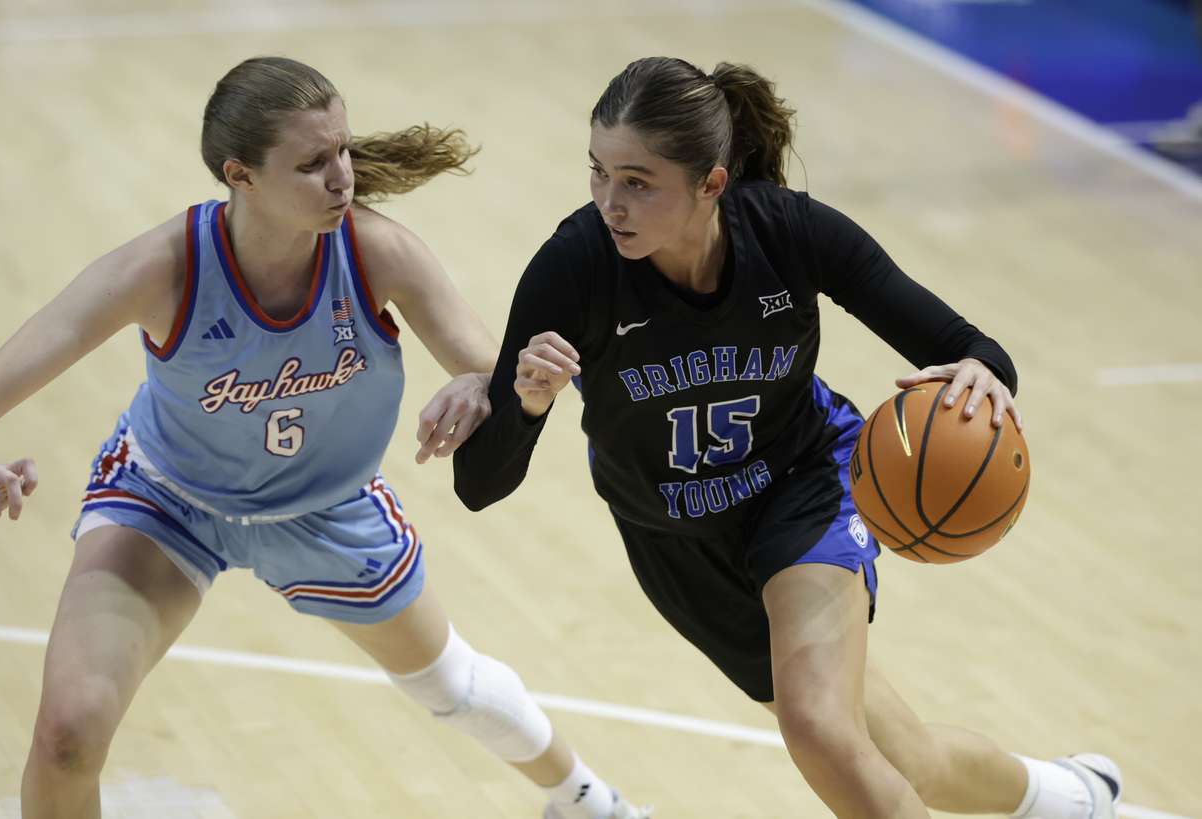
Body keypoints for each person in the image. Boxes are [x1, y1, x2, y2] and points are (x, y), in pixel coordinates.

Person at [0, 56, 649, 819]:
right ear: (241, 175)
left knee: (451, 683)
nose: (342, 179)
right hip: (168, 501)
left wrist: (479, 385)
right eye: (312, 164)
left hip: (327, 506)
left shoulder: (376, 252)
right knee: (67, 734)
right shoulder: (163, 267)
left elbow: (494, 371)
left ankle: (586, 797)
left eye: (342, 152)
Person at [453, 56, 1121, 819]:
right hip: (673, 542)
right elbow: (478, 484)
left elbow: (969, 344)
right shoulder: (573, 266)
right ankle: (1070, 797)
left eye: (638, 181)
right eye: (598, 173)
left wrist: (984, 375)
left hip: (802, 485)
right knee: (909, 760)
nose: (610, 202)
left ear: (711, 183)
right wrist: (528, 404)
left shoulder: (788, 230)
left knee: (820, 731)